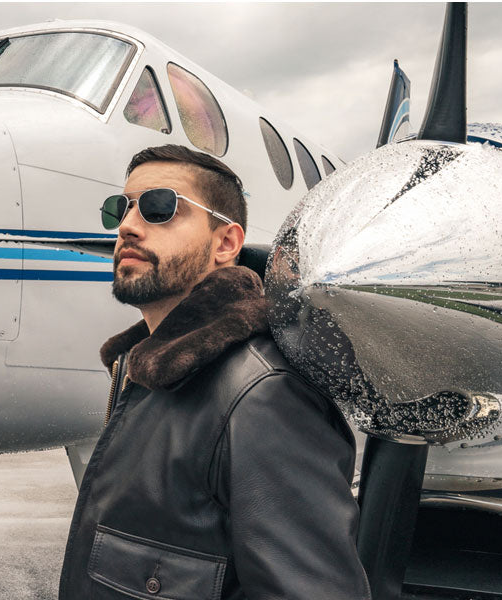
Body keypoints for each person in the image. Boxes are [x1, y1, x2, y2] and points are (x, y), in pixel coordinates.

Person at [58, 144, 370, 599]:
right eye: (120, 208)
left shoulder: (263, 396)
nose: (126, 226)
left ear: (226, 243)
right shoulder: (148, 372)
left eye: (159, 207)